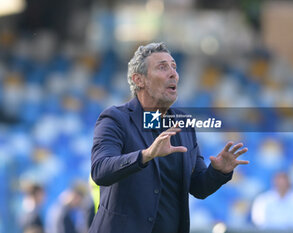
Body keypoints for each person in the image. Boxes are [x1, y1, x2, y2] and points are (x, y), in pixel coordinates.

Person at [89, 42, 249, 233]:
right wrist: (145, 155)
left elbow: (198, 187)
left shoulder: (184, 125)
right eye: (162, 67)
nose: (173, 73)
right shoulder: (115, 119)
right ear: (139, 80)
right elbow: (100, 171)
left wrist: (219, 172)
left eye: (174, 67)